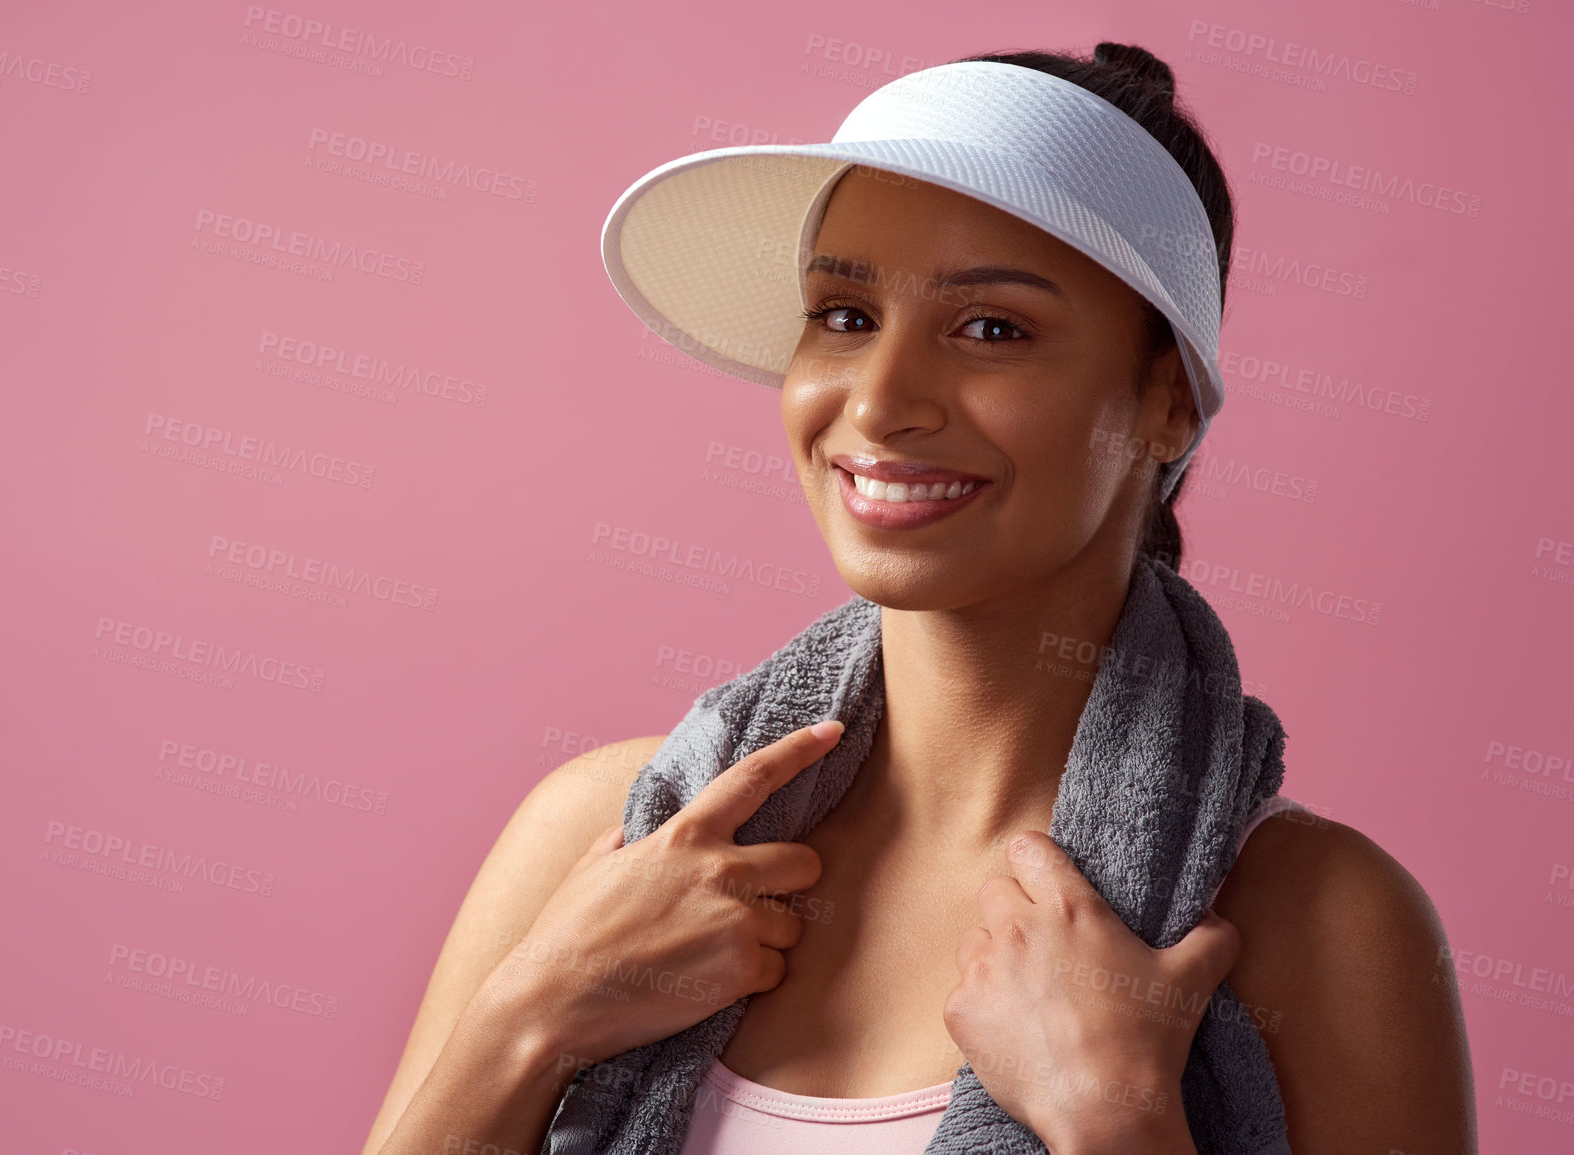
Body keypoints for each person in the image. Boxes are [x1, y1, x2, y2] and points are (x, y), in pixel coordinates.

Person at [361, 43, 1476, 1155]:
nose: (882, 401)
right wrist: (530, 1020)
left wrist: (1121, 1116)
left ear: (1167, 403)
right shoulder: (601, 838)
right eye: (843, 315)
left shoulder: (1320, 922)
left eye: (991, 328)